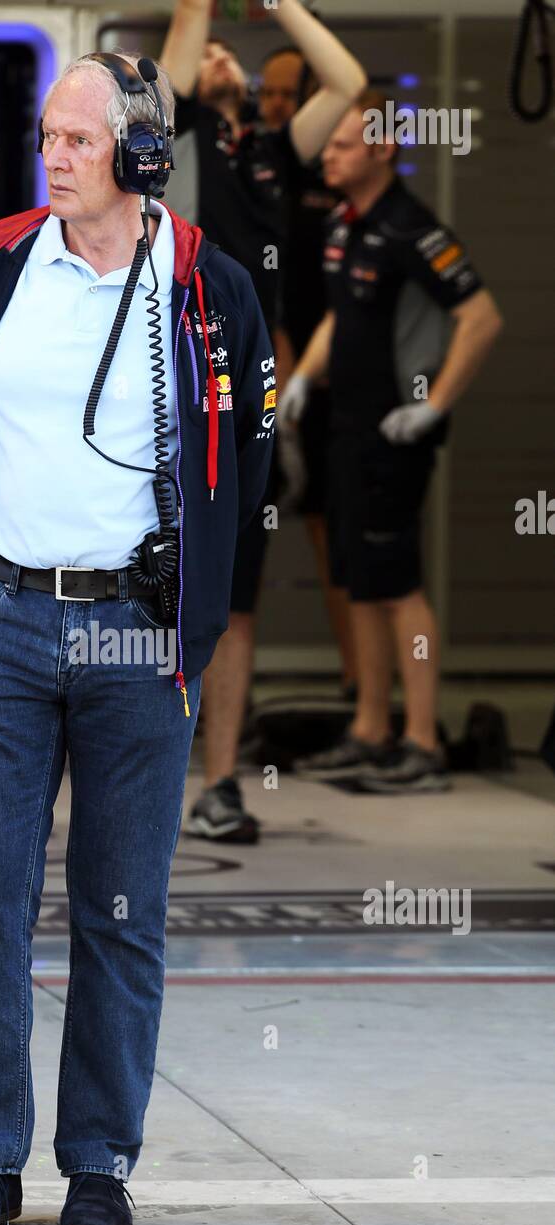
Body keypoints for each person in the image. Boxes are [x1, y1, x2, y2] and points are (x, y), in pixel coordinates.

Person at [0, 52, 274, 1225]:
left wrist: (192, 617)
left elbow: (243, 461)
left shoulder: (206, 288)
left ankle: (100, 1161)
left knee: (120, 909)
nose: (50, 156)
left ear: (142, 154)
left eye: (75, 139)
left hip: (135, 635)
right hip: (2, 620)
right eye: (46, 138)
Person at [160, 0, 366, 841]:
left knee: (233, 604)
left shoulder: (278, 152)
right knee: (139, 599)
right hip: (164, 386)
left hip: (245, 398)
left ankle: (220, 786)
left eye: (226, 55)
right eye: (206, 53)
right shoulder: (166, 142)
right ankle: (128, 782)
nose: (218, 59)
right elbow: (168, 81)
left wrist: (284, 7)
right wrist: (196, 11)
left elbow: (348, 81)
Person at [282, 90, 504, 791]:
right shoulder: (346, 226)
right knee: (360, 584)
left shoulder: (414, 229)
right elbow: (339, 320)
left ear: (381, 149)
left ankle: (422, 742)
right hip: (345, 426)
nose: (329, 156)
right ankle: (371, 730)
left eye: (343, 145)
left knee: (398, 586)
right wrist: (303, 380)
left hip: (393, 432)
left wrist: (432, 407)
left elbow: (482, 318)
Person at [259, 45, 356, 699]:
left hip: (335, 386)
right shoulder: (257, 171)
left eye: (282, 96)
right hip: (262, 378)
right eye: (261, 95)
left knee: (337, 535)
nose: (269, 108)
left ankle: (361, 688)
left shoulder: (340, 181)